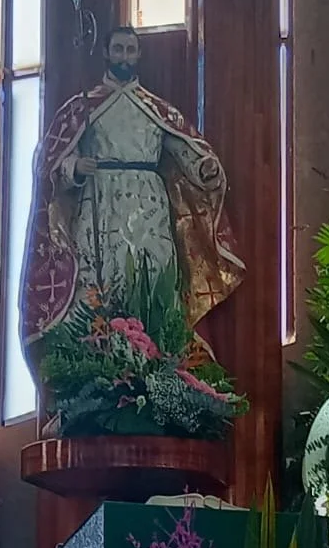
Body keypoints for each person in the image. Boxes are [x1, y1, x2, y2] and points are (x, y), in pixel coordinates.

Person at [20, 25, 244, 358]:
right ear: (107, 54)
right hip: (99, 203)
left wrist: (204, 168)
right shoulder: (84, 107)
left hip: (149, 210)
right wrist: (75, 167)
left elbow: (183, 147)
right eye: (118, 49)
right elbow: (49, 162)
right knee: (99, 289)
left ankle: (155, 368)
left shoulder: (156, 110)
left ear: (138, 55)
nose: (124, 55)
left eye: (130, 49)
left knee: (154, 282)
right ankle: (99, 372)